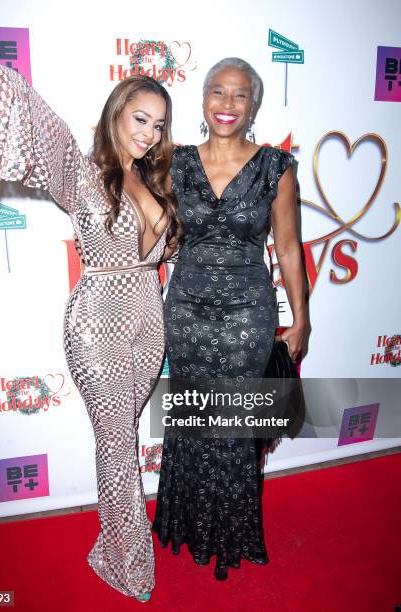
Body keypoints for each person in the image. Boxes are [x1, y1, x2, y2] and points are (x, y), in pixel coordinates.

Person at [0, 62, 182, 601]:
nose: (148, 133)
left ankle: (110, 544)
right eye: (140, 118)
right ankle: (129, 563)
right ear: (116, 115)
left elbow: (167, 245)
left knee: (119, 440)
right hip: (97, 321)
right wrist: (6, 87)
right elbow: (45, 126)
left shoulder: (155, 179)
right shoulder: (82, 171)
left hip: (149, 320)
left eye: (158, 125)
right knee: (117, 443)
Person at [152, 57, 311, 580]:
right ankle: (187, 520)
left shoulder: (276, 168)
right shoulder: (173, 163)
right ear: (202, 100)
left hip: (247, 313)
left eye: (240, 95)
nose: (227, 103)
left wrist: (301, 318)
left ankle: (230, 531)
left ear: (253, 105)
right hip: (188, 312)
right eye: (217, 92)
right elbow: (146, 227)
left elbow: (287, 248)